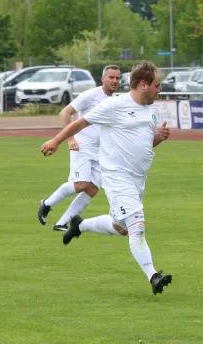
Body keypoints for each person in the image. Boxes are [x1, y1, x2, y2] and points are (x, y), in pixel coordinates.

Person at [40, 61, 172, 295]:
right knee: (136, 226)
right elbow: (80, 122)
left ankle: (80, 225)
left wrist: (158, 138)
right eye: (156, 85)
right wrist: (56, 141)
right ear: (143, 85)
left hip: (137, 180)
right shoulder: (115, 105)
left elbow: (145, 143)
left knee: (120, 227)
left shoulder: (151, 110)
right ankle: (153, 276)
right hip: (116, 177)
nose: (159, 90)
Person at [37, 65, 120, 231]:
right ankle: (46, 204)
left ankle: (62, 222)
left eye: (117, 78)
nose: (115, 81)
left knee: (92, 188)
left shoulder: (116, 100)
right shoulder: (91, 95)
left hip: (100, 151)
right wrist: (70, 139)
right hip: (82, 145)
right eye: (111, 77)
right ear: (103, 78)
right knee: (81, 184)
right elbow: (65, 112)